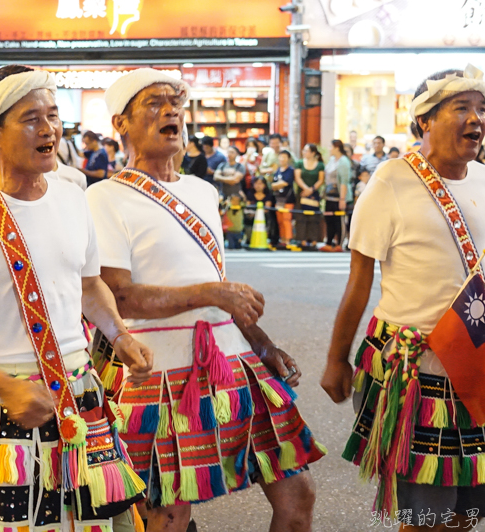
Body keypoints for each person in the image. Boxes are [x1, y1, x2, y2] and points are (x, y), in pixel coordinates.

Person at [0, 65, 151, 532]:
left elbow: (88, 285)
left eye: (53, 116)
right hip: (6, 401)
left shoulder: (72, 195)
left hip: (79, 390)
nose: (49, 130)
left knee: (108, 524)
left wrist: (119, 336)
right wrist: (7, 387)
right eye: (31, 119)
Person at [86, 68, 324, 532]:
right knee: (170, 513)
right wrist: (211, 292)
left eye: (176, 102)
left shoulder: (202, 190)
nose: (171, 111)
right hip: (157, 370)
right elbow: (119, 296)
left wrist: (260, 341)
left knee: (298, 494)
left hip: (233, 361)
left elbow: (217, 282)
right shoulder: (105, 198)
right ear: (121, 124)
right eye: (154, 104)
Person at [322, 65, 485, 531]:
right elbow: (358, 281)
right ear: (424, 121)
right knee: (425, 517)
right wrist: (336, 360)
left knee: (462, 514)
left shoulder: (483, 180)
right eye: (462, 108)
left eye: (481, 109)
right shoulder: (390, 181)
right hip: (416, 371)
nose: (476, 119)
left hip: (474, 364)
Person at [293, 144, 325, 250]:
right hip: (301, 193)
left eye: (307, 151)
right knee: (301, 217)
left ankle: (314, 240)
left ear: (313, 153)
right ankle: (301, 239)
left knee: (314, 218)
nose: (304, 152)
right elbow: (297, 177)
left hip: (314, 194)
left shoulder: (320, 165)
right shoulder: (299, 163)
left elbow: (321, 179)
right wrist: (306, 189)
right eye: (304, 150)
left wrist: (311, 190)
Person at [322, 140, 351, 252]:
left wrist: (342, 198)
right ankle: (329, 242)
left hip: (339, 195)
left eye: (331, 146)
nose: (329, 149)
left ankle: (339, 243)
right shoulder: (331, 160)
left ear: (337, 148)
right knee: (329, 219)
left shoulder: (344, 161)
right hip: (329, 195)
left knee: (339, 221)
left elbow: (344, 181)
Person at [271, 150, 295, 248]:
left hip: (288, 199)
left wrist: (276, 185)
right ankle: (282, 238)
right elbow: (273, 185)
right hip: (278, 199)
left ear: (288, 159)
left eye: (285, 157)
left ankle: (288, 239)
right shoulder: (277, 171)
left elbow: (286, 183)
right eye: (281, 157)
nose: (282, 159)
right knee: (280, 221)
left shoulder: (290, 171)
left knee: (286, 220)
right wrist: (276, 185)